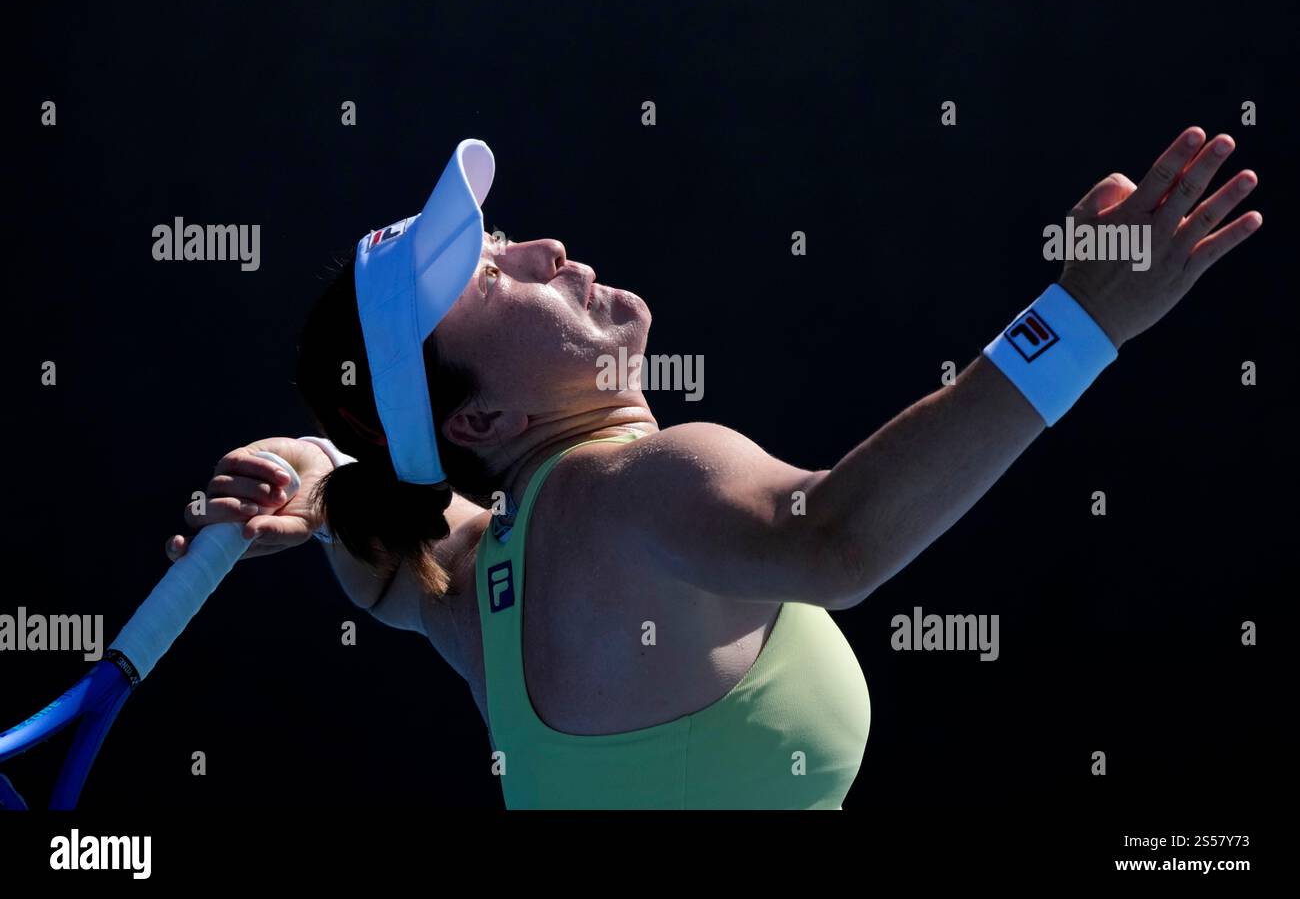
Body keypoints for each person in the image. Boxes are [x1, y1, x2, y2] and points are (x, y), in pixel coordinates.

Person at [164, 129, 1261, 808]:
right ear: (487, 411)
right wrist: (1076, 322)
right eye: (491, 276)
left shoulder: (477, 581)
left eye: (502, 238)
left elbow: (384, 548)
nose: (544, 251)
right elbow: (832, 540)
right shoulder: (635, 484)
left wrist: (306, 466)